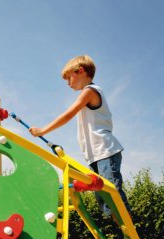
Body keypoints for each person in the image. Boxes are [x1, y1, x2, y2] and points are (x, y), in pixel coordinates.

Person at [29, 55, 131, 219]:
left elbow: (68, 115)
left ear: (81, 71)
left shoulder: (90, 91)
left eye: (69, 77)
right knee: (105, 202)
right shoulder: (87, 93)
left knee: (114, 197)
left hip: (105, 150)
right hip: (95, 156)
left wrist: (43, 131)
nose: (68, 83)